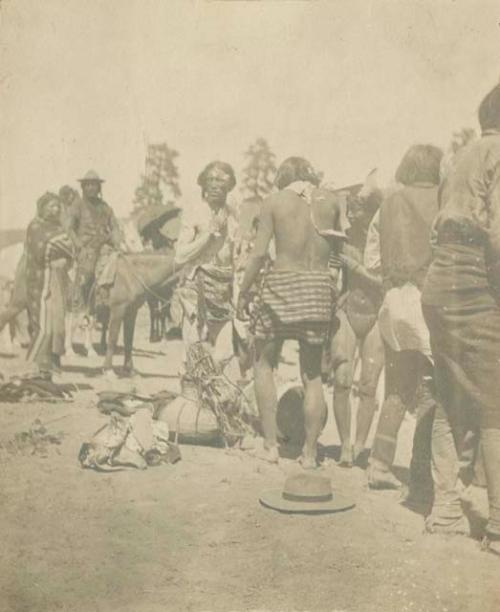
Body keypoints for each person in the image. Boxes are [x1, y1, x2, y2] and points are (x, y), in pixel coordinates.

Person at [421, 84, 500, 549]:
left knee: (450, 396)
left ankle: (445, 508)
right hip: (475, 277)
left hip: (440, 280)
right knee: (496, 401)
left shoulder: (459, 157)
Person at [237, 157, 344, 467]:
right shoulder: (330, 201)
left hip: (281, 285)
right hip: (317, 288)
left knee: (264, 363)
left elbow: (258, 254)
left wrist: (243, 290)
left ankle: (271, 446)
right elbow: (336, 254)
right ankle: (309, 453)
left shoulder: (274, 201)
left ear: (282, 178)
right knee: (312, 374)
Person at [367, 144, 443, 509]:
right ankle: (420, 476)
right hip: (428, 300)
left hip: (393, 301)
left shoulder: (389, 202)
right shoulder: (443, 199)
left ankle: (379, 465)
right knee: (434, 392)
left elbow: (371, 260)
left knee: (397, 388)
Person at [331, 175, 384, 467]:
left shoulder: (387, 239)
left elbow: (386, 282)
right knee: (341, 380)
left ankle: (361, 445)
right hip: (348, 309)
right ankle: (345, 445)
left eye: (360, 206)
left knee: (368, 385)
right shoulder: (344, 238)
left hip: (376, 312)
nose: (353, 210)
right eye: (352, 205)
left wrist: (356, 268)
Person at [174, 161, 238, 363]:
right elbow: (180, 255)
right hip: (196, 285)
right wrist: (208, 235)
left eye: (220, 180)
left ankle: (211, 391)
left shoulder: (233, 215)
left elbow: (234, 257)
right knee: (192, 351)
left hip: (223, 287)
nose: (215, 185)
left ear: (229, 186)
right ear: (203, 186)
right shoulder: (195, 212)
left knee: (225, 353)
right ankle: (190, 391)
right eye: (210, 180)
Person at [25, 192, 73, 378]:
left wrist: (64, 262)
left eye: (57, 206)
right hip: (40, 277)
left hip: (57, 278)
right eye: (51, 206)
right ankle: (39, 364)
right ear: (42, 207)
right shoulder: (35, 226)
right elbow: (37, 250)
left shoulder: (59, 228)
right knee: (44, 323)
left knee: (58, 321)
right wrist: (53, 258)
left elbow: (71, 252)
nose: (55, 209)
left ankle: (54, 359)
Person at [66, 170, 121, 320]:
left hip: (104, 246)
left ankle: (106, 307)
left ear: (99, 187)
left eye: (94, 185)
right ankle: (83, 309)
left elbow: (115, 226)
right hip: (85, 248)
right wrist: (79, 246)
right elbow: (69, 228)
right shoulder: (77, 205)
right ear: (83, 187)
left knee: (118, 268)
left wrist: (117, 242)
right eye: (88, 185)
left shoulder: (105, 207)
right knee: (88, 274)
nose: (91, 188)